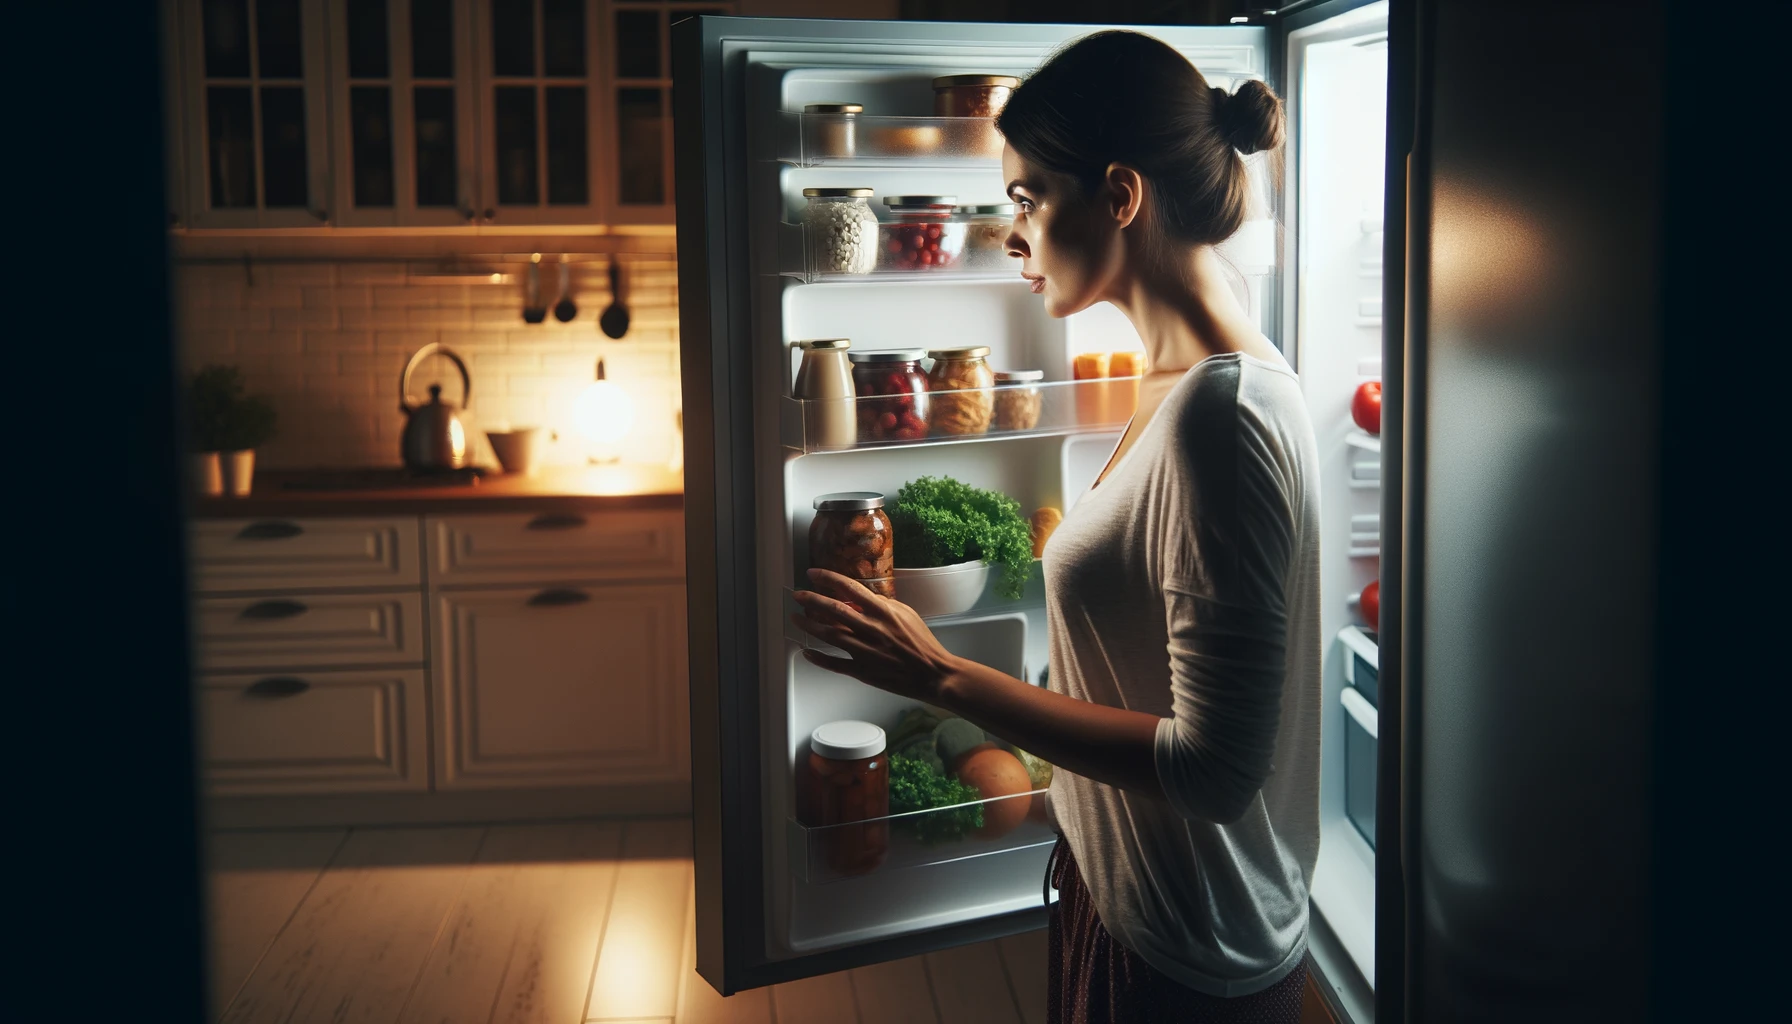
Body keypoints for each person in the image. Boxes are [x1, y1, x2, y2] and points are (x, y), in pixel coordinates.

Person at [790, 29, 1321, 1024]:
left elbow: (1214, 771)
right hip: (1123, 903)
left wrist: (943, 677)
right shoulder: (1177, 376)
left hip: (1187, 960)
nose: (1012, 232)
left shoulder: (1225, 416)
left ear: (1120, 195)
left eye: (1029, 196)